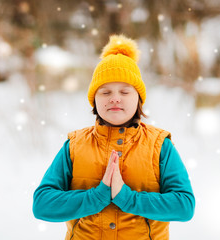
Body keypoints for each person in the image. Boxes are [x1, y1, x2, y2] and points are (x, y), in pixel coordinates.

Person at [33, 35, 195, 240]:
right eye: (105, 92)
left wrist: (126, 198)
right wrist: (97, 196)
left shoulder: (160, 145)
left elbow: (184, 206)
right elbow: (42, 204)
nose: (115, 98)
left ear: (138, 99)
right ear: (94, 100)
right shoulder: (74, 145)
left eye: (125, 92)